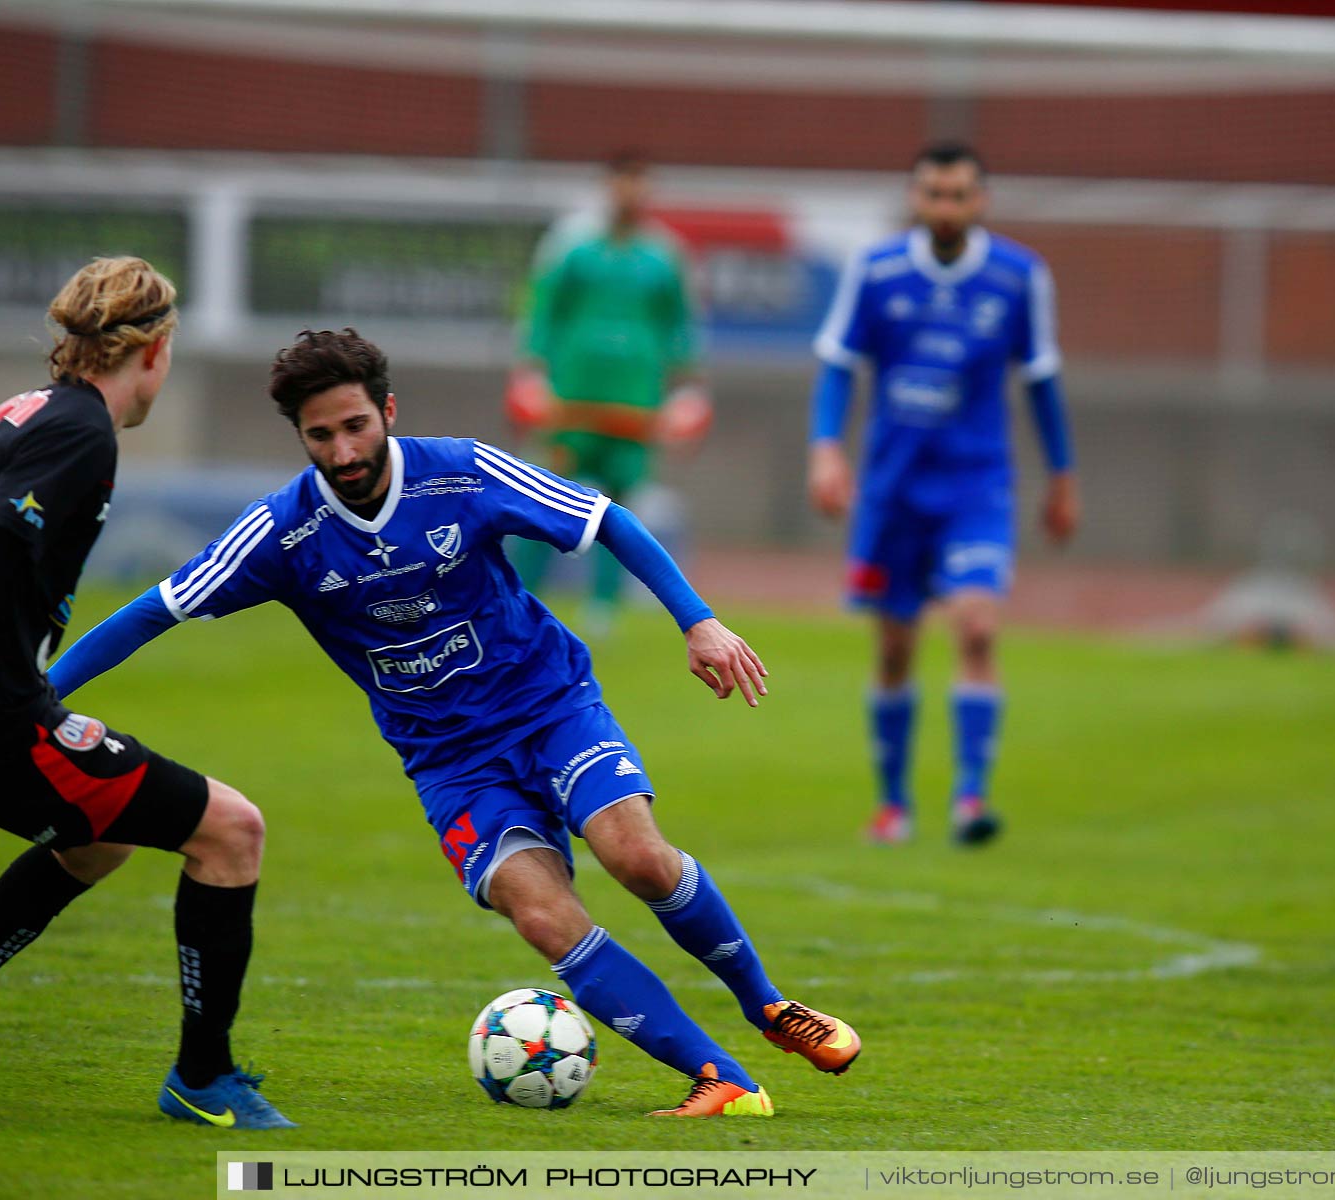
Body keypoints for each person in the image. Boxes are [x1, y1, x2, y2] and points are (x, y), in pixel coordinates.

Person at [49, 328, 858, 1117]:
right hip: (451, 763)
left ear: (389, 411)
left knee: (636, 856)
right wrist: (38, 699)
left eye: (355, 426)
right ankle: (722, 1079)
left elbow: (607, 517)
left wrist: (698, 621)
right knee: (543, 916)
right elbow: (153, 612)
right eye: (319, 435)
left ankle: (770, 1008)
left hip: (549, 706)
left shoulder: (461, 473)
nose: (342, 453)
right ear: (299, 435)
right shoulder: (282, 531)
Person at [0, 257, 294, 1128]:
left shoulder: (12, 415)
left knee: (101, 840)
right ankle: (203, 1076)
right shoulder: (82, 434)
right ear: (156, 350)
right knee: (232, 831)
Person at [806, 141, 1079, 847]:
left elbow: (1041, 380)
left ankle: (969, 798)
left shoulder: (1020, 276)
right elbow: (838, 365)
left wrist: (1063, 476)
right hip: (893, 489)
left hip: (977, 485)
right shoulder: (876, 269)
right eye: (935, 193)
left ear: (981, 200)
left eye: (960, 194)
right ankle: (893, 804)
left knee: (978, 626)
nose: (947, 207)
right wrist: (827, 448)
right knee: (895, 648)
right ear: (915, 198)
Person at [507, 150, 711, 635]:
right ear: (607, 186)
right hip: (572, 396)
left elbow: (679, 326)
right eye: (623, 182)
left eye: (640, 183)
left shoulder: (665, 255)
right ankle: (522, 595)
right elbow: (544, 312)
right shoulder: (572, 248)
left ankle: (603, 607)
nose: (631, 193)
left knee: (619, 502)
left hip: (635, 399)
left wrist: (688, 389)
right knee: (543, 494)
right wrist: (530, 374)